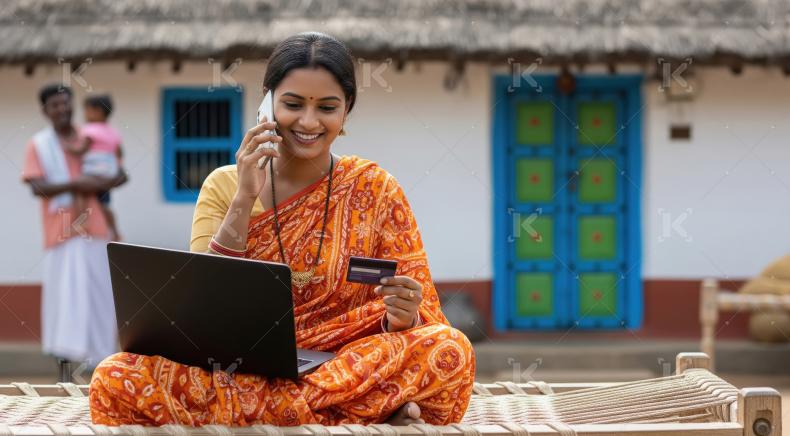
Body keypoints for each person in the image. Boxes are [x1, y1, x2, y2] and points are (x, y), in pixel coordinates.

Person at [89, 32, 475, 426]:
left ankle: (278, 413)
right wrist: (244, 197)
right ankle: (360, 412)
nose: (309, 122)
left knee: (450, 350)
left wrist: (402, 319)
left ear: (347, 111)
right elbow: (201, 308)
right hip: (237, 369)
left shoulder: (375, 189)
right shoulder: (223, 185)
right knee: (114, 377)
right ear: (267, 103)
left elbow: (418, 317)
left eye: (327, 107)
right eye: (292, 104)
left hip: (344, 363)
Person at [21, 84, 127, 370]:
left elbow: (119, 173)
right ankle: (65, 370)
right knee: (65, 301)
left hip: (96, 228)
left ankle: (102, 366)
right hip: (62, 233)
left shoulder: (89, 135)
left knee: (100, 298)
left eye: (66, 103)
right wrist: (77, 184)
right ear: (45, 110)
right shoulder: (39, 144)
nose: (62, 109)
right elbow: (37, 186)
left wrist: (99, 182)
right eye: (55, 105)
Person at [65, 95, 123, 241]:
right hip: (109, 172)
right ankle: (115, 231)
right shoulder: (113, 132)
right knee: (105, 205)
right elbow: (119, 153)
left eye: (87, 110)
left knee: (78, 188)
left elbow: (82, 149)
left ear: (97, 111)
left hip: (95, 170)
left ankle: (81, 221)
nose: (85, 114)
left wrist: (69, 148)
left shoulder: (90, 129)